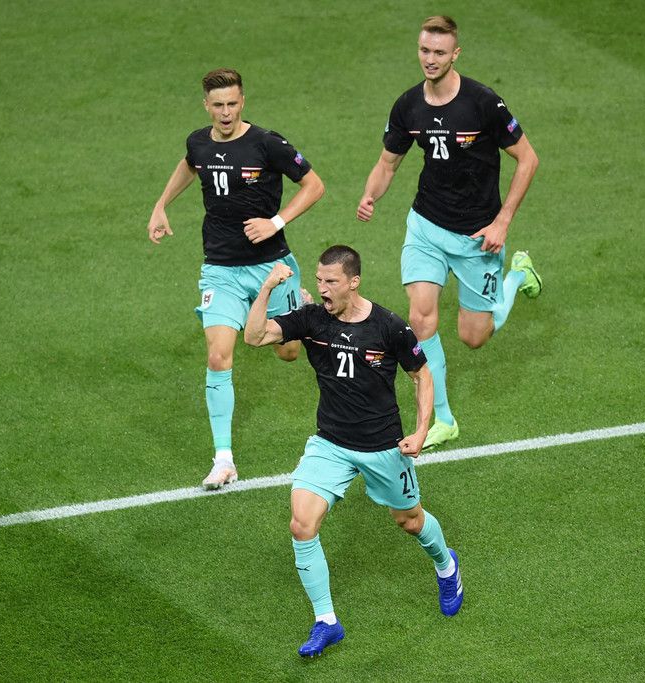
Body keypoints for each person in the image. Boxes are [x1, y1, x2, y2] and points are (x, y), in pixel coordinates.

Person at [245, 245, 463, 658]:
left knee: (410, 521)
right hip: (330, 443)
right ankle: (327, 621)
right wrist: (267, 288)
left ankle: (446, 565)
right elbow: (254, 336)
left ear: (354, 282)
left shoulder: (389, 327)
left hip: (383, 447)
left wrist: (421, 431)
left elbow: (422, 375)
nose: (322, 289)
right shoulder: (311, 319)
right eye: (319, 280)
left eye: (331, 281)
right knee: (301, 525)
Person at [357, 15, 542, 449]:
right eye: (425, 50)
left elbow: (528, 159)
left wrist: (503, 221)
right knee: (420, 318)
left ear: (455, 54)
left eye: (439, 52)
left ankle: (518, 275)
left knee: (474, 337)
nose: (431, 59)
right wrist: (370, 195)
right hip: (426, 226)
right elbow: (388, 163)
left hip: (478, 236)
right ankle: (442, 419)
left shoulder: (483, 103)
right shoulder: (408, 106)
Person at [147, 68, 325, 489]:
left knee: (287, 352)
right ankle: (224, 459)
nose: (225, 112)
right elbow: (190, 165)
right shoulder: (199, 142)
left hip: (271, 266)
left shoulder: (267, 143)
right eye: (218, 105)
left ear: (242, 101)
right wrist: (161, 204)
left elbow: (314, 185)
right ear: (206, 106)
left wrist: (275, 222)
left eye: (232, 103)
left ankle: (302, 304)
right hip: (220, 268)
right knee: (217, 357)